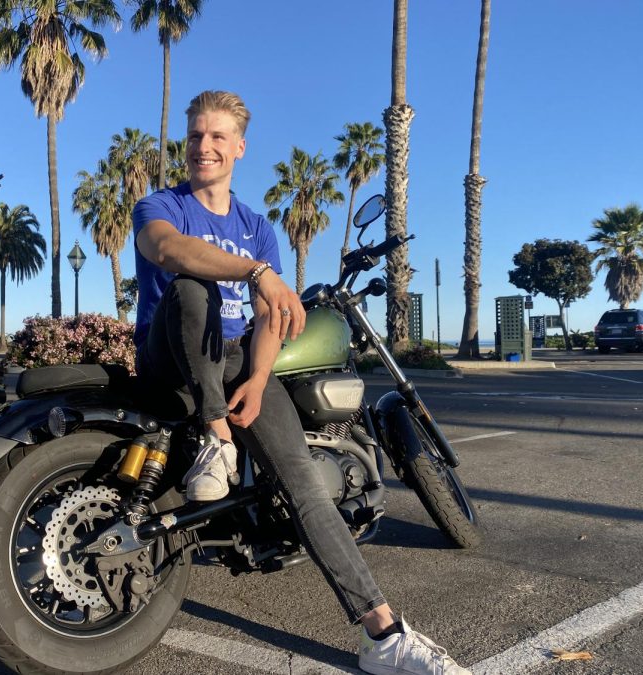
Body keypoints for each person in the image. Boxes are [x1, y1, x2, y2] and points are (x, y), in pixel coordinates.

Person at [131, 90, 470, 675]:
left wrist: (260, 379)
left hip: (237, 364)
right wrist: (255, 273)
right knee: (193, 283)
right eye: (195, 136)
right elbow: (167, 250)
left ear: (239, 146)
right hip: (173, 360)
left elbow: (268, 318)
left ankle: (383, 636)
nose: (203, 147)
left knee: (305, 485)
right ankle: (215, 437)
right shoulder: (162, 205)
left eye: (217, 137)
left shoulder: (258, 227)